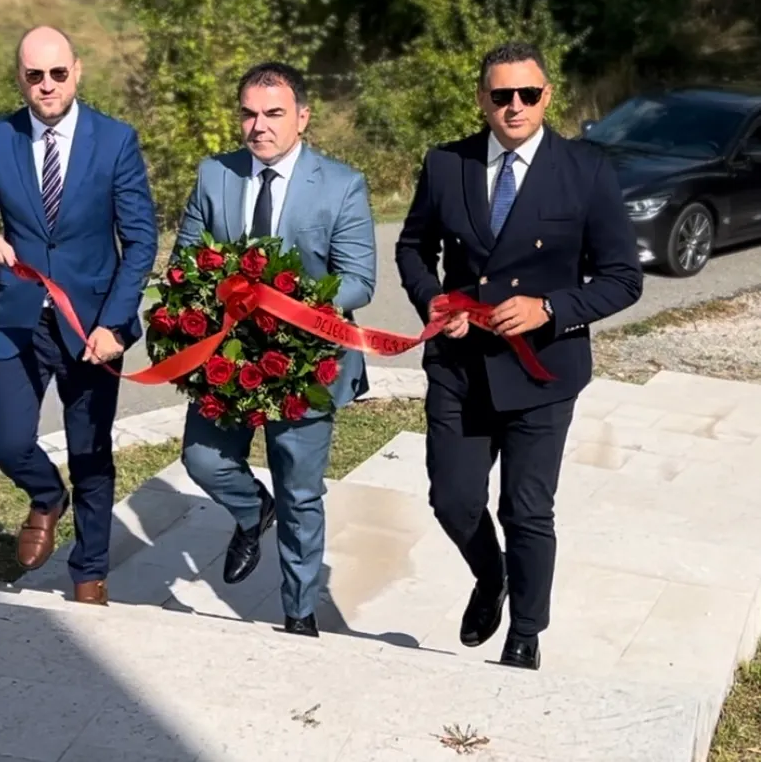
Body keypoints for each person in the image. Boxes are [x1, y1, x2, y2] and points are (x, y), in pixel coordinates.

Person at [395, 41, 643, 669]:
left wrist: (551, 308)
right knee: (452, 499)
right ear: (482, 99)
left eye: (527, 95)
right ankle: (490, 576)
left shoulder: (585, 170)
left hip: (543, 372)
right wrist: (434, 300)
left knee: (527, 509)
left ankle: (526, 634)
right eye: (500, 95)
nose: (514, 106)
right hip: (459, 370)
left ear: (546, 96)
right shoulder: (446, 163)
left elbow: (622, 277)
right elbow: (413, 248)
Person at [0, 25, 158, 606]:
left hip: (92, 327)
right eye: (34, 75)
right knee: (9, 443)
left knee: (90, 453)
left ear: (77, 71)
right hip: (19, 321)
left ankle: (89, 573)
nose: (46, 86)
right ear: (20, 77)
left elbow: (140, 241)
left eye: (57, 73)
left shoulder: (115, 141)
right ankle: (46, 496)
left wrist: (115, 324)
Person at [172, 61, 377, 637]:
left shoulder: (341, 184)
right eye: (249, 113)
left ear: (302, 118)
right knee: (203, 459)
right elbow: (185, 260)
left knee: (300, 491)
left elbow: (359, 279)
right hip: (227, 357)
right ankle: (249, 510)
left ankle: (299, 611)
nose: (258, 126)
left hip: (307, 359)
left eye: (274, 113)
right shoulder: (215, 176)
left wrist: (288, 301)